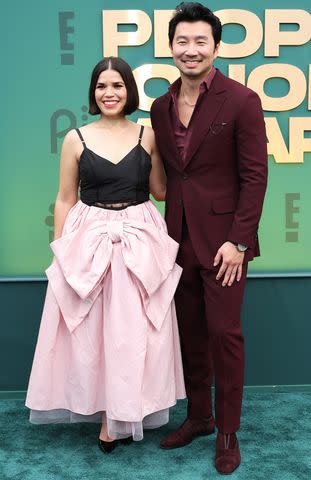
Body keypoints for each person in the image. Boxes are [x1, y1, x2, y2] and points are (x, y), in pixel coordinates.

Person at [26, 57, 185, 453]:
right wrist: (62, 253)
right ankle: (104, 413)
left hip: (139, 236)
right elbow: (65, 198)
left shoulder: (147, 134)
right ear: (93, 93)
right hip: (89, 238)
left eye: (117, 85)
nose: (109, 93)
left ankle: (125, 412)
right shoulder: (75, 138)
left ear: (129, 91)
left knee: (133, 331)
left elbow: (162, 191)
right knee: (92, 333)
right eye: (101, 86)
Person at [150, 2, 267, 475]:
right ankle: (198, 417)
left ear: (215, 47)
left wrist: (238, 242)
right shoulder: (160, 106)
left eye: (201, 41)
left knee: (224, 336)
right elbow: (169, 178)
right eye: (182, 41)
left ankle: (227, 431)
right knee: (191, 337)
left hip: (225, 247)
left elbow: (255, 177)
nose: (191, 49)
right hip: (176, 240)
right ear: (171, 47)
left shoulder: (241, 100)